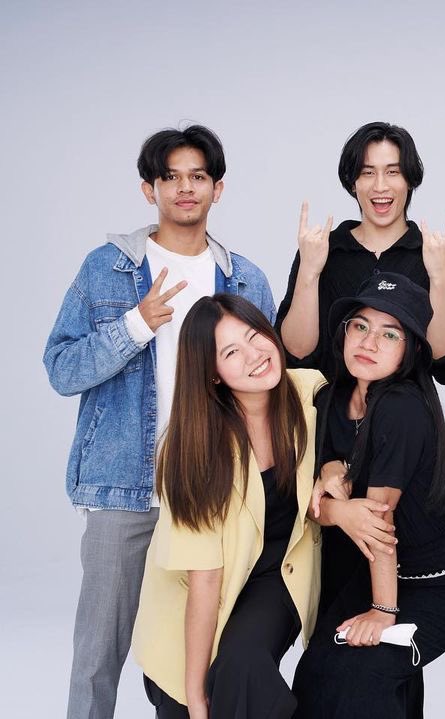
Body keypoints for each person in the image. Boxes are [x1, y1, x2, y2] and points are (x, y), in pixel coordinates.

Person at [43, 124, 276, 719]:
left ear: (218, 188)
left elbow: (266, 381)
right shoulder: (107, 269)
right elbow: (62, 369)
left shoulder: (245, 279)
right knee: (98, 653)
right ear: (150, 189)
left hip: (214, 488)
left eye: (198, 176)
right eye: (170, 177)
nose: (185, 188)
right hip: (127, 486)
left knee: (197, 651)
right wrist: (135, 325)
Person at [292, 273, 445, 718]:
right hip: (376, 572)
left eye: (389, 333)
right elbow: (314, 501)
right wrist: (336, 501)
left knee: (366, 675)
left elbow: (377, 519)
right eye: (360, 326)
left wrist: (382, 611)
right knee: (317, 672)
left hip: (436, 581)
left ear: (410, 350)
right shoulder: (332, 398)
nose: (369, 342)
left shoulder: (401, 406)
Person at [132, 295, 320, 717]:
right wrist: (196, 697)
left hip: (273, 577)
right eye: (231, 352)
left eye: (255, 336)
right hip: (193, 606)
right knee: (193, 703)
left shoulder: (309, 394)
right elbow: (205, 579)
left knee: (243, 664)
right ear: (212, 374)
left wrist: (332, 472)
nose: (255, 355)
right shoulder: (192, 450)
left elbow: (354, 430)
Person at [276, 121, 445, 385]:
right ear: (353, 182)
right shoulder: (320, 250)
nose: (380, 186)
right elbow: (295, 355)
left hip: (408, 409)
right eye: (368, 173)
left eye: (393, 172)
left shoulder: (443, 258)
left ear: (410, 180)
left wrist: (439, 277)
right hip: (332, 408)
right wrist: (309, 272)